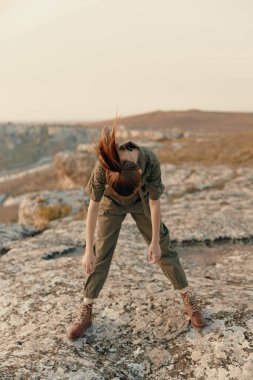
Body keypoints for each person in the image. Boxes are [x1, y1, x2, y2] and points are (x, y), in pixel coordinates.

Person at [67, 120, 205, 340]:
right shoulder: (104, 164)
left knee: (163, 245)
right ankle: (87, 309)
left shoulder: (150, 161)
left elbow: (154, 202)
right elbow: (93, 207)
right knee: (100, 253)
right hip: (111, 204)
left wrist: (155, 243)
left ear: (139, 171)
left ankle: (188, 297)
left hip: (141, 202)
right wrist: (87, 250)